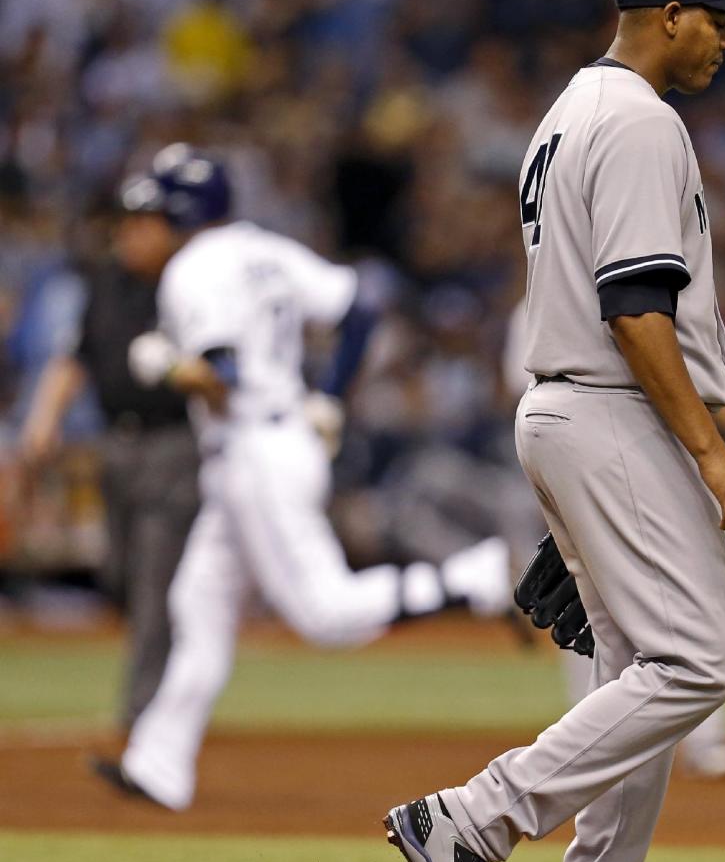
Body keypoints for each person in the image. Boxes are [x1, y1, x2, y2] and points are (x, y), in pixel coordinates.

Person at [384, 0, 725, 862]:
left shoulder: (567, 111)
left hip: (577, 411)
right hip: (615, 408)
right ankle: (472, 815)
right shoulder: (644, 119)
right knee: (695, 663)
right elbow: (636, 303)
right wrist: (706, 450)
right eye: (715, 19)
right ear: (664, 13)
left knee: (637, 678)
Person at [91, 143, 511, 811]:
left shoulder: (193, 270)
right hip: (274, 442)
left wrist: (164, 364)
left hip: (255, 451)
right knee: (197, 604)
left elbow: (219, 377)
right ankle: (158, 763)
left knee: (327, 613)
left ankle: (472, 577)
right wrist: (332, 395)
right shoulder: (264, 249)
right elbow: (361, 306)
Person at [504, 299, 725, 780]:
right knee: (621, 621)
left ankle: (696, 740)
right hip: (596, 447)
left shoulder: (651, 288)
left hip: (625, 448)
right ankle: (591, 737)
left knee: (661, 621)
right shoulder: (545, 306)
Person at [18, 217, 200, 730]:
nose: (132, 239)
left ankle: (145, 715)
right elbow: (76, 358)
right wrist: (44, 417)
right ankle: (170, 673)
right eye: (127, 228)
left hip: (175, 442)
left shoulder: (189, 286)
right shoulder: (105, 285)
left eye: (146, 228)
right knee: (119, 574)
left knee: (152, 579)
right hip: (114, 443)